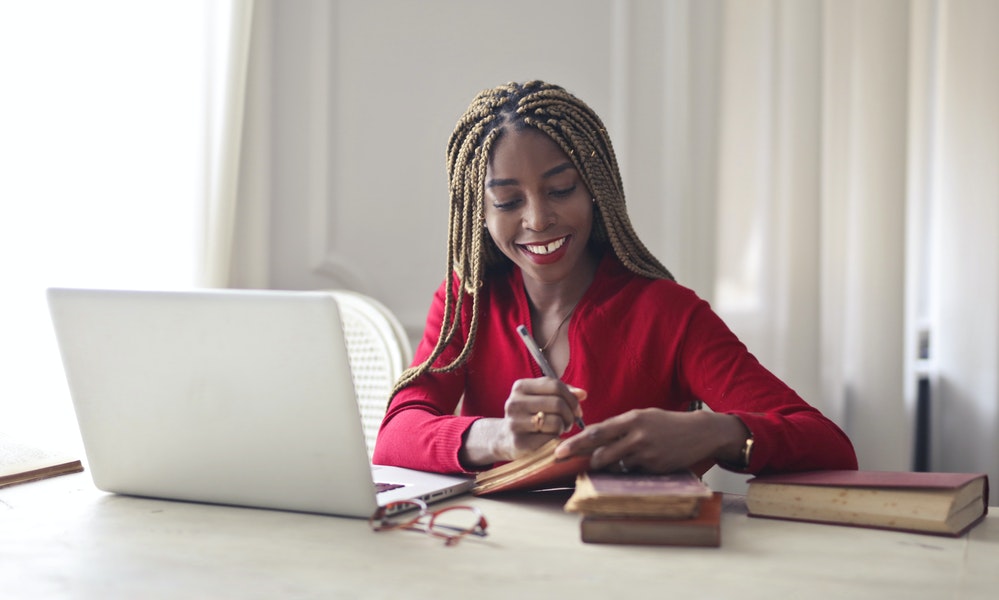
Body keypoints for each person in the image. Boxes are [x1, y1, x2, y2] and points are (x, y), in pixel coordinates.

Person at [372, 80, 857, 477]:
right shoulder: (468, 302)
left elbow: (829, 446)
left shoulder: (668, 313)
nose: (538, 219)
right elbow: (395, 435)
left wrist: (716, 431)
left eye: (561, 189)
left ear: (597, 189)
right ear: (479, 212)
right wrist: (497, 436)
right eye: (508, 201)